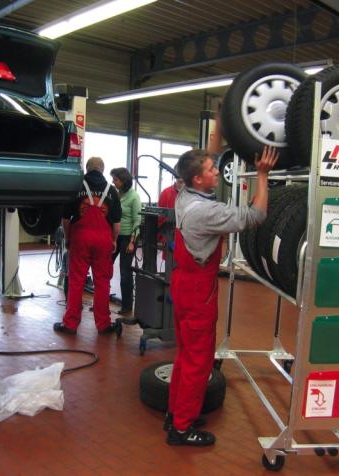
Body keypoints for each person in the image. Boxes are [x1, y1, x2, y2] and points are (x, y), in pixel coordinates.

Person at [165, 145, 279, 446]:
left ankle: (175, 414)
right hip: (197, 291)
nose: (217, 171)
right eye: (211, 169)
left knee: (185, 354)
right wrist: (262, 175)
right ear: (197, 179)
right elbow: (256, 215)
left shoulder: (184, 195)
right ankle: (181, 429)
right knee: (198, 361)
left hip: (182, 283)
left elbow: (201, 165)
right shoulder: (206, 212)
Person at [54, 157, 122, 335]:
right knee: (102, 282)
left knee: (76, 281)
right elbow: (117, 224)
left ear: (86, 168)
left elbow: (65, 219)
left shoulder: (76, 187)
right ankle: (103, 324)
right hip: (103, 239)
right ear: (102, 169)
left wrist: (68, 237)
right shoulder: (112, 191)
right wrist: (113, 240)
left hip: (81, 238)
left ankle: (70, 324)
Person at [109, 167, 142, 315]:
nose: (113, 182)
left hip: (128, 237)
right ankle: (101, 300)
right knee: (105, 266)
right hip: (115, 236)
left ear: (123, 180)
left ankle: (127, 306)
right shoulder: (116, 194)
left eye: (116, 179)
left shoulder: (134, 197)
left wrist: (132, 242)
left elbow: (137, 221)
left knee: (125, 271)